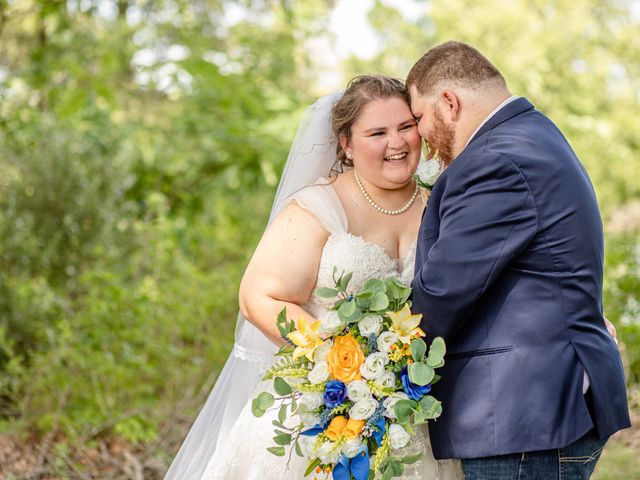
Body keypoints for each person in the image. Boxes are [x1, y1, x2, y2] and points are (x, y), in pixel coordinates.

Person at [164, 75, 463, 479]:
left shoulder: (440, 200)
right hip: (325, 409)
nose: (397, 143)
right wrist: (342, 363)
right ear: (346, 143)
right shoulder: (317, 206)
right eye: (377, 132)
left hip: (419, 409)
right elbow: (259, 297)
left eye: (406, 127)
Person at [408, 41, 631, 479]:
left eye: (418, 117)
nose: (417, 135)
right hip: (538, 411)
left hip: (522, 416)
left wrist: (368, 355)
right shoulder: (533, 135)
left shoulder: (494, 160)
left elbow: (441, 291)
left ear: (449, 103)